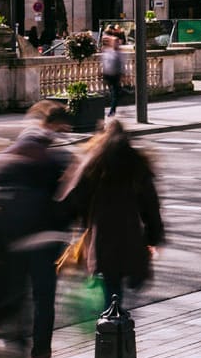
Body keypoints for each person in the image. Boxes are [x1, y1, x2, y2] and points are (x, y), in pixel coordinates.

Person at [0, 100, 76, 358]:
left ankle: (17, 354)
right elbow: (69, 200)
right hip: (45, 241)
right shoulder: (57, 157)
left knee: (14, 298)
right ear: (52, 127)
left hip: (12, 241)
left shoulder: (8, 156)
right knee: (44, 302)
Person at [60, 119, 165, 315]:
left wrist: (81, 223)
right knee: (124, 281)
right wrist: (154, 236)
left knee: (111, 283)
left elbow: (75, 197)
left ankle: (110, 327)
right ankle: (118, 325)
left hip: (102, 235)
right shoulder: (137, 162)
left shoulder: (94, 162)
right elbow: (151, 205)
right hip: (130, 234)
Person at [99, 32, 126, 118]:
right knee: (114, 94)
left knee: (114, 94)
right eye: (115, 42)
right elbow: (104, 63)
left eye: (117, 42)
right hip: (108, 75)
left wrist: (123, 75)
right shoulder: (108, 52)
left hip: (115, 76)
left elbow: (122, 65)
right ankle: (113, 109)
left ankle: (112, 111)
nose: (116, 44)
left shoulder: (118, 53)